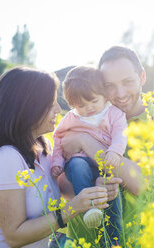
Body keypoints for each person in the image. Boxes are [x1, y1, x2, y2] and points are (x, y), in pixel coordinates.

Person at [0, 67, 113, 248]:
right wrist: (71, 209)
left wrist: (93, 189)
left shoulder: (44, 148)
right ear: (27, 107)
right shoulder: (5, 157)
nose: (58, 109)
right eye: (50, 104)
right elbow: (14, 236)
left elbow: (59, 188)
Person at [57, 46, 154, 245]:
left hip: (130, 239)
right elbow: (61, 185)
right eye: (110, 85)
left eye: (128, 82)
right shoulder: (83, 115)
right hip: (82, 238)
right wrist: (92, 188)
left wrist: (84, 141)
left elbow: (139, 181)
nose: (120, 93)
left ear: (142, 77)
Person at [50, 66, 127, 245]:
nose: (89, 108)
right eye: (81, 106)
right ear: (72, 105)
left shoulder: (114, 113)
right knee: (77, 165)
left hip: (104, 164)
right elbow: (58, 139)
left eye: (93, 101)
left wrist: (115, 151)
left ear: (104, 95)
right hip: (80, 161)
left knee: (110, 195)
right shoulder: (71, 118)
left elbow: (120, 135)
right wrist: (58, 162)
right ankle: (90, 207)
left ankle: (113, 240)